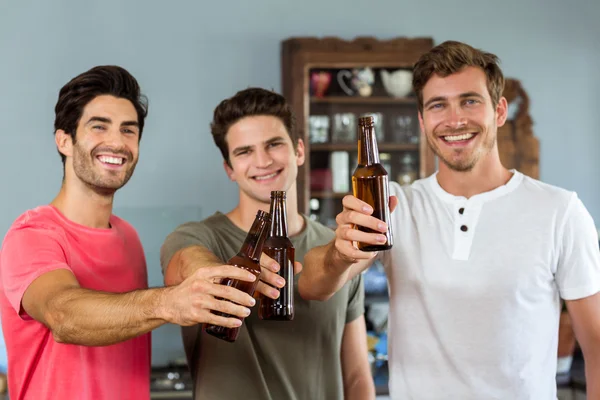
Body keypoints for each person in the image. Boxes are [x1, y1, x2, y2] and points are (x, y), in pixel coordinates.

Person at [299, 41, 600, 399]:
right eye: (438, 105)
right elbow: (312, 286)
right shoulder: (396, 205)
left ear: (499, 111)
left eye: (469, 101)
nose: (455, 120)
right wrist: (341, 254)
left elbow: (595, 345)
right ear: (423, 121)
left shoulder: (561, 211)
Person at [0, 66, 258, 400]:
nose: (117, 142)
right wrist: (170, 302)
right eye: (99, 126)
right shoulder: (31, 234)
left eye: (128, 130)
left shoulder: (128, 237)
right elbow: (63, 315)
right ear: (64, 140)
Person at [160, 87, 374, 400]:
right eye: (244, 152)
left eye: (273, 145)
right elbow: (187, 265)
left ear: (299, 151)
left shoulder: (338, 245)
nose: (262, 161)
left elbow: (356, 377)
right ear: (229, 170)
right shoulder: (195, 238)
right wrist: (228, 275)